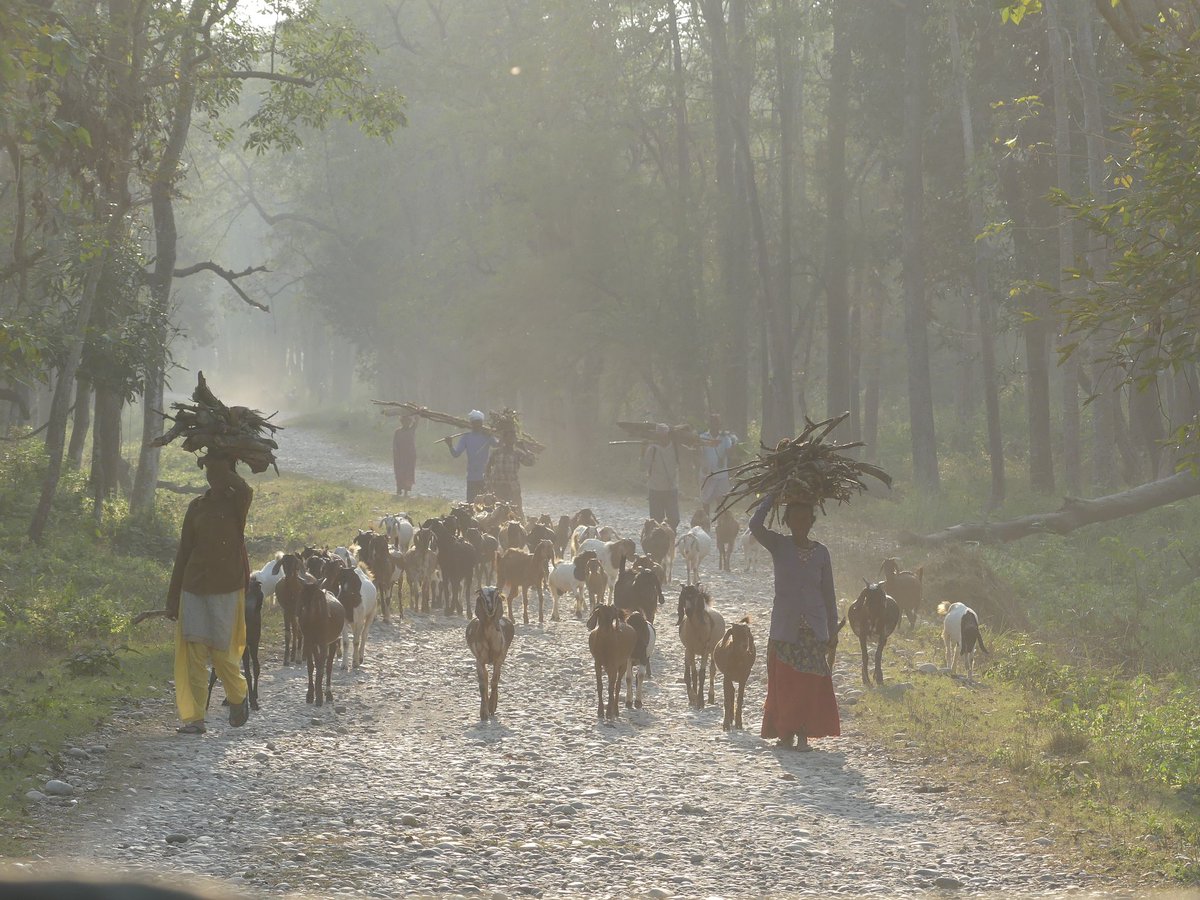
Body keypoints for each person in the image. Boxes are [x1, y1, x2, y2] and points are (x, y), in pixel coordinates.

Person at [166, 454, 252, 735]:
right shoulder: (196, 507)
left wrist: (224, 463)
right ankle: (195, 719)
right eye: (210, 474)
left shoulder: (237, 504)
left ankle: (238, 696)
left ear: (228, 475)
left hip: (226, 589)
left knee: (222, 653)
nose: (213, 479)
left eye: (219, 474)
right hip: (194, 587)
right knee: (194, 653)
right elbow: (184, 550)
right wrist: (173, 598)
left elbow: (245, 489)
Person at [748, 491, 840, 751]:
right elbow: (754, 525)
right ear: (787, 521)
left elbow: (829, 593)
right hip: (785, 628)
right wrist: (771, 498)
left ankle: (803, 734)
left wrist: (832, 629)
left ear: (812, 521)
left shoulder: (821, 553)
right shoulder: (779, 545)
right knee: (785, 683)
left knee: (808, 684)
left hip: (814, 629)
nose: (801, 523)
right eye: (795, 519)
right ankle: (785, 733)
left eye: (805, 519)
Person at [444, 409, 499, 502]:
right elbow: (456, 454)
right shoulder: (466, 437)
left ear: (482, 423)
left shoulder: (487, 436)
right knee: (471, 503)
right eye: (475, 422)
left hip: (486, 477)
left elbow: (498, 444)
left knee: (486, 503)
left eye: (479, 422)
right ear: (471, 424)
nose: (477, 425)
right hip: (472, 477)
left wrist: (497, 434)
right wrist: (450, 445)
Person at [486, 429, 535, 516]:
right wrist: (489, 483)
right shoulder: (496, 453)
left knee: (517, 512)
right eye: (509, 437)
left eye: (513, 438)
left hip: (513, 487)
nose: (511, 440)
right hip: (498, 486)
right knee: (499, 512)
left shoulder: (517, 453)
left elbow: (530, 463)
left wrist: (525, 449)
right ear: (504, 439)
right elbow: (488, 468)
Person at [698, 413, 738, 517]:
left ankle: (722, 523)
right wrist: (702, 463)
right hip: (707, 475)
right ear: (709, 424)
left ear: (720, 425)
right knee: (705, 501)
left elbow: (729, 453)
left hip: (721, 475)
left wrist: (734, 443)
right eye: (713, 423)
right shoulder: (703, 437)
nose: (715, 425)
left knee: (721, 502)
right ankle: (706, 523)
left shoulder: (725, 438)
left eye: (717, 423)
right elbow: (698, 453)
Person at [641, 423, 680, 530]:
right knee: (656, 521)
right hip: (655, 489)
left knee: (674, 519)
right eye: (660, 436)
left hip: (671, 488)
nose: (662, 438)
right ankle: (659, 538)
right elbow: (643, 466)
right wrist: (643, 450)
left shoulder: (675, 447)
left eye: (664, 435)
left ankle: (671, 537)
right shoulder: (652, 449)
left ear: (668, 435)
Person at [392, 415, 418, 497]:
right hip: (399, 455)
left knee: (409, 473)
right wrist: (396, 452)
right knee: (399, 472)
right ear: (401, 422)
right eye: (404, 421)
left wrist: (418, 413)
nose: (406, 423)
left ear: (410, 422)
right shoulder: (397, 431)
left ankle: (406, 491)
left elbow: (416, 421)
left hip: (410, 456)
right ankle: (399, 489)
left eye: (408, 421)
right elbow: (394, 443)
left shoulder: (412, 430)